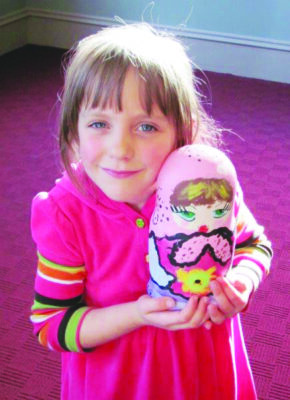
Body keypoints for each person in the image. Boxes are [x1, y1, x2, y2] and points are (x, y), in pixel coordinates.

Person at [30, 23, 272, 400]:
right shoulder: (65, 214)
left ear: (183, 132)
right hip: (118, 383)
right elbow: (52, 325)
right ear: (73, 130)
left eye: (146, 126)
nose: (120, 148)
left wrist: (242, 283)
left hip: (203, 372)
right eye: (98, 123)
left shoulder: (205, 185)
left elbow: (253, 245)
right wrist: (137, 314)